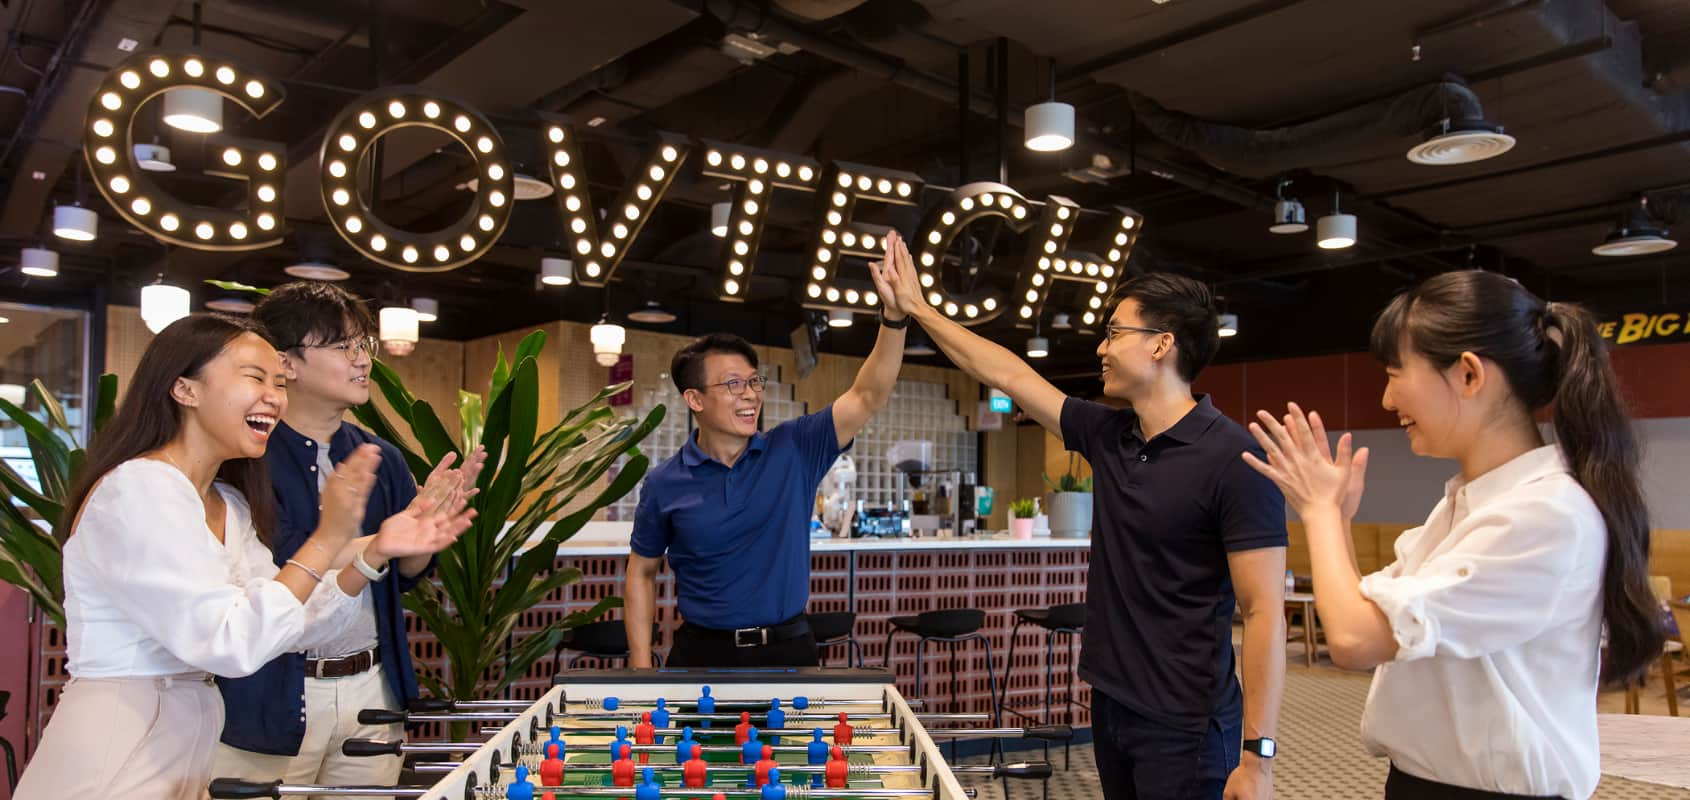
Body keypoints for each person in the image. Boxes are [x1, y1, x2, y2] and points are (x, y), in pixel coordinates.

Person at [870, 231, 1286, 800]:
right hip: (1112, 702)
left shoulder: (1234, 458)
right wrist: (917, 309)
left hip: (1186, 722)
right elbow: (1009, 376)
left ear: (1163, 345)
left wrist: (1258, 758)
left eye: (1115, 333)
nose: (1101, 348)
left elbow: (1263, 611)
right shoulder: (1109, 433)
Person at [1241, 270, 1663, 800]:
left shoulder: (1545, 513)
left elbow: (1352, 641)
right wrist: (1337, 521)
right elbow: (1368, 621)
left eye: (1396, 373)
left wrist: (1321, 514)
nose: (1388, 399)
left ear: (1468, 375)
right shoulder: (1468, 503)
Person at [14, 314, 473, 800]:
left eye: (279, 382)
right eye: (255, 377)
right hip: (119, 745)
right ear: (185, 390)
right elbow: (231, 640)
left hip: (183, 743)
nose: (274, 396)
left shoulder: (227, 503)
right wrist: (326, 538)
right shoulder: (139, 487)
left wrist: (376, 549)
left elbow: (290, 623)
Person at [213, 283, 485, 790]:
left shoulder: (382, 456)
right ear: (286, 363)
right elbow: (275, 566)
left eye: (365, 345)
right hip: (273, 688)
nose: (362, 361)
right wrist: (380, 540)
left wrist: (422, 537)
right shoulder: (245, 458)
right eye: (343, 347)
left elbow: (403, 579)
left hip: (371, 685)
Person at [625, 255, 908, 668]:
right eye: (733, 384)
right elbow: (641, 571)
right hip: (702, 655)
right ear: (695, 399)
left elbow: (868, 395)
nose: (751, 394)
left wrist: (894, 319)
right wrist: (640, 667)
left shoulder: (795, 447)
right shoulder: (665, 482)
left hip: (789, 650)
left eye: (754, 382)